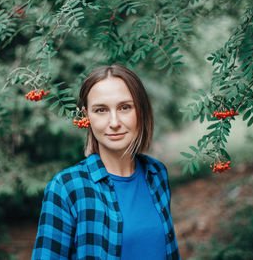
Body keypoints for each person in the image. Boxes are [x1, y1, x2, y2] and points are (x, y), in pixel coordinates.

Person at [32, 64, 180, 259]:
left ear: (141, 111)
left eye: (125, 107)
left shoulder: (156, 173)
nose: (114, 122)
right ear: (86, 116)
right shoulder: (66, 188)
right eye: (101, 110)